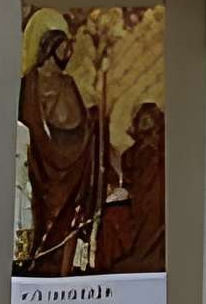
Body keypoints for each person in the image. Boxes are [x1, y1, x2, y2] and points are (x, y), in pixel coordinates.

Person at [17, 25, 102, 275]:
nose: (66, 55)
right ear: (50, 49)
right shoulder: (29, 83)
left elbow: (81, 124)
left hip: (70, 168)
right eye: (62, 49)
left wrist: (94, 125)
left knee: (67, 222)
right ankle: (36, 266)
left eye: (68, 50)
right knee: (39, 218)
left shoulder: (68, 82)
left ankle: (62, 270)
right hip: (40, 165)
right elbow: (27, 121)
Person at [96, 101, 168, 274]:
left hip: (156, 205)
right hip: (137, 204)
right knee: (111, 217)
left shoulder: (163, 152)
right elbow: (129, 184)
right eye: (141, 120)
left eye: (150, 120)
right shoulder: (130, 155)